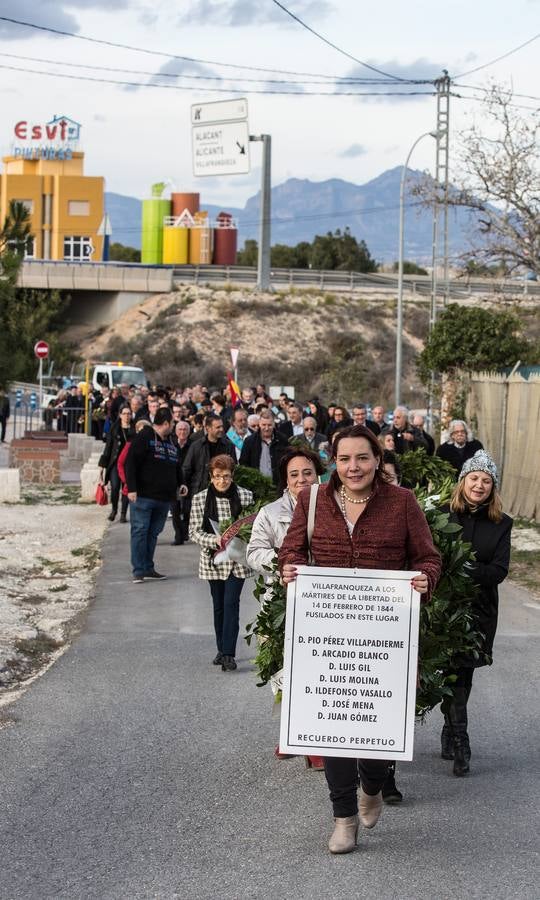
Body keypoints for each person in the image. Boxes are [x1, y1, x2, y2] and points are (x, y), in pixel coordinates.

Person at [279, 425, 441, 854]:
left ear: (376, 458)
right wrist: (291, 570)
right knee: (333, 728)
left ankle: (372, 785)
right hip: (328, 632)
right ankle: (343, 819)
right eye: (345, 459)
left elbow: (428, 557)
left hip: (384, 635)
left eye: (363, 458)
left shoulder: (402, 503)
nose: (354, 467)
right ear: (334, 461)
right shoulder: (312, 500)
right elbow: (292, 551)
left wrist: (425, 579)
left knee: (376, 729)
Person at [246, 446, 325, 767]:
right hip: (280, 603)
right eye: (294, 475)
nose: (301, 479)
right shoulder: (270, 513)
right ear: (285, 480)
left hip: (321, 603)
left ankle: (316, 741)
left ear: (318, 475)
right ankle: (291, 730)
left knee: (317, 670)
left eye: (307, 473)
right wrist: (281, 563)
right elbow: (253, 552)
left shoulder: (334, 508)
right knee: (283, 668)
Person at [439, 450, 512, 777]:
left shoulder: (502, 524)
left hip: (478, 611)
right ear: (463, 481)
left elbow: (498, 570)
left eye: (486, 480)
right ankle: (450, 726)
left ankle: (460, 740)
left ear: (492, 488)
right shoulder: (441, 515)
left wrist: (464, 569)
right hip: (442, 608)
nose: (479, 484)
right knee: (443, 672)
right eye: (474, 478)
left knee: (463, 672)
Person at [190, 454, 254, 672]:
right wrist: (216, 540)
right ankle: (221, 648)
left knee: (231, 603)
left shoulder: (245, 496)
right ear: (210, 476)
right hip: (213, 560)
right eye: (217, 477)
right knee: (218, 607)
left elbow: (253, 526)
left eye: (226, 476)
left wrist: (241, 538)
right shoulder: (200, 499)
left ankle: (229, 653)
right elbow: (194, 532)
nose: (222, 481)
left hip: (237, 561)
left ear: (232, 475)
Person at [125, 407, 181, 583]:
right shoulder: (144, 437)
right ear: (165, 423)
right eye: (172, 423)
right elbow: (130, 462)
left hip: (164, 498)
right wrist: (132, 488)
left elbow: (177, 466)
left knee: (153, 533)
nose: (173, 426)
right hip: (143, 496)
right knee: (140, 532)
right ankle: (139, 570)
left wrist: (181, 484)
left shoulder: (171, 441)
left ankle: (148, 567)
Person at [181, 413, 236, 497]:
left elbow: (234, 468)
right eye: (218, 427)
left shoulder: (229, 445)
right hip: (199, 491)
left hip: (223, 491)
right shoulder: (196, 446)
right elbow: (187, 469)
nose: (221, 429)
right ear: (208, 428)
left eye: (222, 426)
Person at [98, 405, 134, 522]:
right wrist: (102, 464)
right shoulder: (114, 429)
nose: (127, 416)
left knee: (126, 489)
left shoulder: (134, 429)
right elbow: (108, 447)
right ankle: (114, 510)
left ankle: (123, 514)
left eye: (129, 413)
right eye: (124, 413)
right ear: (120, 415)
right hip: (115, 463)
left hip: (129, 464)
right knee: (114, 488)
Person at [240, 409, 288, 485]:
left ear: (274, 424)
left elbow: (287, 461)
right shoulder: (249, 441)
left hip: (278, 485)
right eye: (264, 425)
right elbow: (244, 463)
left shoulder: (283, 440)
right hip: (257, 486)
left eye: (269, 425)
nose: (266, 428)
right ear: (259, 424)